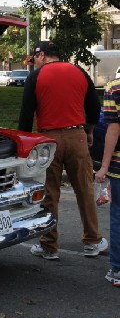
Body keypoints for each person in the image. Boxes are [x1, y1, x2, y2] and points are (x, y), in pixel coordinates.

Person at [18, 41, 107, 260]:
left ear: (42, 56)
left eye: (34, 60)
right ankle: (92, 240)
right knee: (85, 190)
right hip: (77, 135)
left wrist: (25, 145)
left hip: (48, 140)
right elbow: (95, 106)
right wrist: (90, 131)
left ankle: (49, 245)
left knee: (50, 192)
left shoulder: (35, 78)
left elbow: (26, 115)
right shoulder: (78, 71)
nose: (33, 65)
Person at [94, 78, 120, 287]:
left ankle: (118, 270)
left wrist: (104, 166)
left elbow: (114, 129)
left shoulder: (114, 87)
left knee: (118, 215)